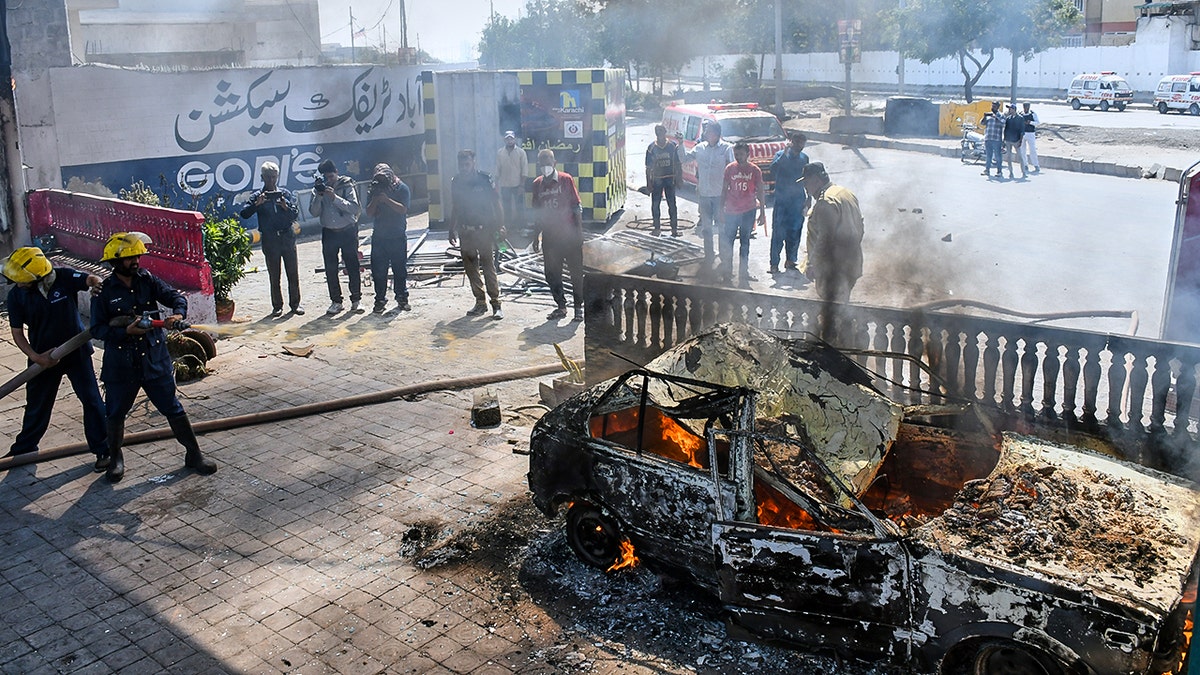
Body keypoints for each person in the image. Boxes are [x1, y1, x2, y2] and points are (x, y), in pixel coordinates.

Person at [90, 233, 217, 483]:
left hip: (153, 358)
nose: (136, 260)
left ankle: (194, 455)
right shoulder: (103, 292)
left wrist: (179, 314)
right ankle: (115, 459)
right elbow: (97, 330)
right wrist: (124, 331)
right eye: (129, 258)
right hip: (121, 363)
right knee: (115, 412)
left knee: (172, 407)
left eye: (137, 255)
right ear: (115, 262)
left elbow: (175, 297)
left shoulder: (147, 280)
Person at [3, 247, 109, 470]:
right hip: (43, 357)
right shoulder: (17, 296)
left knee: (92, 401)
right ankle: (24, 450)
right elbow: (17, 333)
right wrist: (36, 357)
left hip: (76, 352)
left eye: (22, 281)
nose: (18, 284)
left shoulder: (63, 277)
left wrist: (96, 283)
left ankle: (103, 450)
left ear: (38, 276)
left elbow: (90, 278)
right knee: (37, 405)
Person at [240, 161, 303, 316]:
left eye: (274, 177)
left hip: (287, 236)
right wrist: (257, 204)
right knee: (274, 275)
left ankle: (295, 304)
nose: (271, 181)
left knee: (293, 273)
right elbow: (244, 213)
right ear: (262, 177)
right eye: (268, 177)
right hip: (270, 239)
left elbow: (295, 214)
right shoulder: (257, 196)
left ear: (278, 177)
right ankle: (277, 306)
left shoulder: (285, 194)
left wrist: (285, 207)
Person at [449, 149, 504, 320]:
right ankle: (480, 302)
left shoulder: (485, 179)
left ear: (473, 162)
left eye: (467, 163)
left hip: (484, 231)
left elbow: (497, 203)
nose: (464, 167)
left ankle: (496, 303)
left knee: (488, 266)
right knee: (471, 268)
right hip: (466, 231)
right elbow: (455, 207)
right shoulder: (456, 182)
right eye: (461, 164)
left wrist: (501, 226)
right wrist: (452, 228)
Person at [531, 149, 584, 322]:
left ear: (554, 163)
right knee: (551, 273)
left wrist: (579, 232)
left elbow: (576, 207)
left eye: (548, 162)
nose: (545, 166)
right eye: (542, 163)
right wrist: (535, 237)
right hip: (550, 237)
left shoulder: (565, 179)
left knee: (575, 272)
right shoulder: (537, 184)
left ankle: (578, 307)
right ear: (539, 165)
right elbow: (537, 214)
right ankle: (561, 306)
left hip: (569, 235)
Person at [800, 162, 864, 304]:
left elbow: (825, 238)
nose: (805, 186)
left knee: (834, 307)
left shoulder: (825, 202)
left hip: (833, 267)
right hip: (852, 260)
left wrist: (813, 264)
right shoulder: (845, 193)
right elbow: (861, 226)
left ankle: (840, 326)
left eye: (806, 182)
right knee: (842, 304)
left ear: (816, 180)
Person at [308, 159, 362, 315]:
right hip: (329, 232)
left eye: (331, 176)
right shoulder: (318, 189)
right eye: (326, 178)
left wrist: (334, 198)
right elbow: (314, 212)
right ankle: (336, 301)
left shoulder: (347, 185)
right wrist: (319, 196)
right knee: (331, 268)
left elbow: (355, 208)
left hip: (347, 230)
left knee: (352, 266)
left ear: (337, 172)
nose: (329, 181)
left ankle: (356, 300)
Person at [679, 121, 733, 274]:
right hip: (704, 195)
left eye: (708, 131)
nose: (705, 133)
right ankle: (709, 255)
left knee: (722, 228)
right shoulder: (700, 148)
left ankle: (724, 257)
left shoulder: (726, 148)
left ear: (716, 133)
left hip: (720, 196)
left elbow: (731, 170)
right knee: (707, 229)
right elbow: (684, 159)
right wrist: (681, 143)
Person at [364, 163, 412, 313]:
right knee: (378, 271)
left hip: (397, 235)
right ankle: (379, 300)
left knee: (399, 270)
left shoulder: (401, 188)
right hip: (379, 237)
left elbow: (403, 209)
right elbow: (369, 213)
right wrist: (376, 199)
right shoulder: (374, 189)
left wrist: (386, 200)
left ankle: (402, 298)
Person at [720, 141, 767, 288]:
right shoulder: (729, 169)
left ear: (748, 154)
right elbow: (724, 190)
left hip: (748, 210)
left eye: (741, 154)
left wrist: (762, 213)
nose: (738, 157)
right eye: (736, 154)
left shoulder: (755, 170)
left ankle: (743, 272)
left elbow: (760, 192)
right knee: (729, 242)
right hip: (731, 211)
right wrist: (721, 210)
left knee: (745, 242)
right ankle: (727, 273)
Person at [767, 131, 810, 275]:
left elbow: (808, 179)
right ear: (791, 141)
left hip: (797, 201)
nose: (799, 145)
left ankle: (791, 261)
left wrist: (809, 197)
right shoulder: (781, 155)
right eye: (797, 142)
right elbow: (773, 170)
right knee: (778, 233)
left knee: (795, 231)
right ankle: (774, 264)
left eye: (802, 143)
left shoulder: (804, 158)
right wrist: (785, 153)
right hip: (782, 202)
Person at [645, 124, 682, 237]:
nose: (659, 133)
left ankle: (674, 229)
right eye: (657, 131)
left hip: (669, 178)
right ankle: (657, 228)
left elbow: (677, 163)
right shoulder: (651, 148)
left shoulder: (672, 146)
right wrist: (648, 183)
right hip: (657, 180)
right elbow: (648, 168)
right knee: (655, 204)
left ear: (665, 131)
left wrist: (679, 179)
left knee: (672, 204)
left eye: (661, 130)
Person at [495, 130, 529, 230]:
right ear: (504, 140)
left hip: (517, 185)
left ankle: (521, 227)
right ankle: (508, 228)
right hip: (505, 185)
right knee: (506, 208)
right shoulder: (500, 153)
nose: (509, 141)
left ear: (515, 139)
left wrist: (522, 185)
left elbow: (524, 170)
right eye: (507, 139)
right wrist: (496, 184)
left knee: (519, 208)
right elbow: (497, 169)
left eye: (511, 138)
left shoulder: (521, 152)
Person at [1002, 103, 1027, 180]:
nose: (1009, 110)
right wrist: (1004, 140)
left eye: (1010, 109)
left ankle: (1023, 172)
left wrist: (1020, 140)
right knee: (1009, 157)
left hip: (1016, 140)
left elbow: (1022, 130)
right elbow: (1006, 129)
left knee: (1020, 157)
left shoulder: (1020, 118)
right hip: (1008, 140)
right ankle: (1011, 172)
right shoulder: (1008, 118)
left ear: (1014, 109)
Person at [982, 101, 1004, 179]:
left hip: (997, 139)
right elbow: (982, 123)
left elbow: (1003, 123)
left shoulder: (1001, 115)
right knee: (988, 156)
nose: (993, 107)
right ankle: (987, 170)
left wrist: (996, 117)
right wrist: (984, 117)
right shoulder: (989, 115)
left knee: (998, 156)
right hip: (988, 138)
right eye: (992, 106)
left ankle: (999, 171)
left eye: (994, 106)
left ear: (998, 107)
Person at [1021, 102, 1040, 173]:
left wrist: (1030, 122)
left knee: (1032, 150)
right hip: (1022, 134)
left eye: (1027, 107)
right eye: (1025, 106)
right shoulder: (1021, 114)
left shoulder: (1032, 114)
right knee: (1022, 150)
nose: (1026, 108)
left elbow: (1037, 122)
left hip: (1030, 133)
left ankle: (1036, 165)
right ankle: (1025, 164)